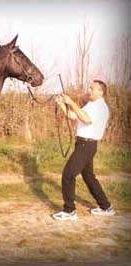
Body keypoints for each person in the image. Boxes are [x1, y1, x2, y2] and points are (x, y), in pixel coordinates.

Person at [52, 80, 115, 221]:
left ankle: (69, 211)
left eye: (92, 88)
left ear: (101, 92)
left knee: (68, 174)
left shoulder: (100, 107)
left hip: (86, 146)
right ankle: (106, 207)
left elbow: (86, 119)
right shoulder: (92, 104)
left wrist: (71, 102)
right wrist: (62, 104)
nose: (89, 90)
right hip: (85, 145)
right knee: (89, 177)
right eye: (90, 88)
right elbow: (74, 116)